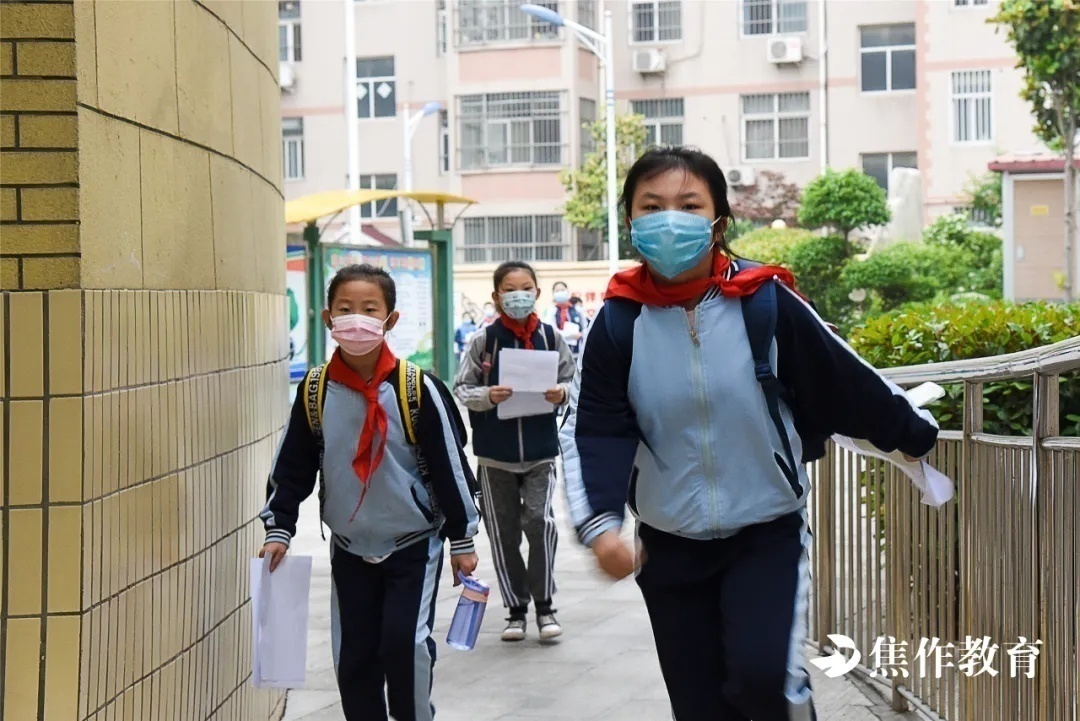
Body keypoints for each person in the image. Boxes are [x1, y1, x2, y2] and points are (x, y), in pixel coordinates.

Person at [560, 147, 939, 720]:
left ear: (718, 222)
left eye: (689, 205)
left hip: (767, 533)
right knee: (699, 703)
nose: (671, 219)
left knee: (766, 684)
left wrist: (911, 432)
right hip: (669, 544)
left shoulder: (764, 302)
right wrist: (602, 525)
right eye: (652, 206)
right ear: (631, 221)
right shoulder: (617, 323)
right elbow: (596, 428)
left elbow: (839, 378)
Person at [260, 263, 480, 721]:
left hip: (413, 544)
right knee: (355, 655)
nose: (355, 319)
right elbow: (293, 467)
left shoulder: (417, 389)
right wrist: (279, 527)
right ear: (327, 319)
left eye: (368, 309)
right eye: (345, 309)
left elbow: (451, 468)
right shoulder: (316, 392)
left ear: (390, 320)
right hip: (349, 546)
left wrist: (462, 539)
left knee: (405, 644)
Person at [454, 261, 577, 643]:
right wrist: (488, 396)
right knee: (503, 533)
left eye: (525, 288)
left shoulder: (551, 339)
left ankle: (544, 605)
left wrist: (562, 392)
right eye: (510, 289)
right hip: (494, 457)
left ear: (537, 293)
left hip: (541, 451)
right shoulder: (483, 341)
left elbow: (574, 381)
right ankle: (516, 610)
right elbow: (461, 388)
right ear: (496, 296)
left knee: (540, 524)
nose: (518, 295)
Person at [541, 281, 585, 356]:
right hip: (560, 348)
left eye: (562, 290)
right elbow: (552, 329)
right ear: (553, 294)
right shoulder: (552, 311)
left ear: (567, 291)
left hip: (578, 348)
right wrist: (570, 335)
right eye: (557, 291)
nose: (560, 292)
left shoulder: (577, 309)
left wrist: (582, 334)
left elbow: (585, 326)